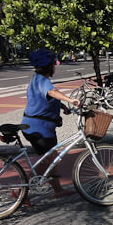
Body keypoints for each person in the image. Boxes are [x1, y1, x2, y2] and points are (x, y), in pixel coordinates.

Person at [21, 49, 81, 198]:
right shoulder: (43, 81)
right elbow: (52, 92)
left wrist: (63, 107)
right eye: (53, 64)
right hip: (39, 128)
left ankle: (57, 190)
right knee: (48, 160)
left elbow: (46, 98)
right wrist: (70, 100)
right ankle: (20, 191)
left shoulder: (36, 78)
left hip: (37, 126)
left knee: (51, 158)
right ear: (48, 66)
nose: (55, 66)